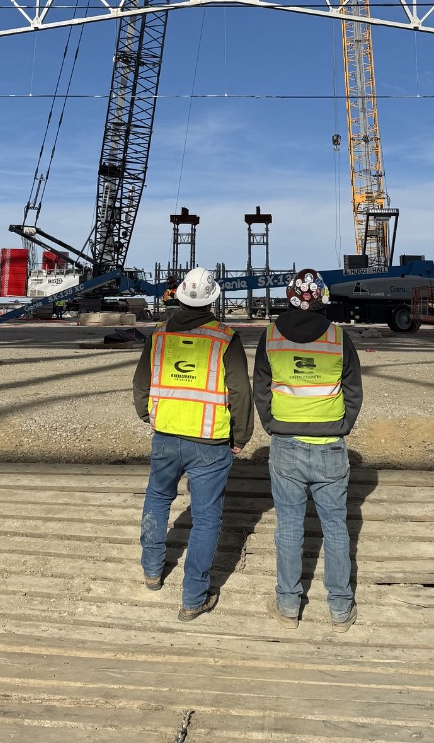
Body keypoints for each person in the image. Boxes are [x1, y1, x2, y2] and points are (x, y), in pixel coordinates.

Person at [132, 265, 253, 621]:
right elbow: (240, 392)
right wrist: (241, 436)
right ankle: (192, 597)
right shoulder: (224, 338)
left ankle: (152, 572)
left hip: (166, 436)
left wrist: (149, 416)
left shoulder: (158, 336)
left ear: (180, 296)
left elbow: (141, 385)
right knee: (206, 517)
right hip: (210, 442)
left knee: (157, 498)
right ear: (213, 301)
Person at [252, 268, 363, 631]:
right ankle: (340, 610)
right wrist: (341, 425)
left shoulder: (271, 336)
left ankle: (288, 607)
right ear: (322, 299)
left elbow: (261, 388)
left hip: (285, 444)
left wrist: (272, 425)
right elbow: (353, 389)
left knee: (288, 527)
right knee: (335, 527)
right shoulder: (337, 337)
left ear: (289, 296)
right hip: (331, 443)